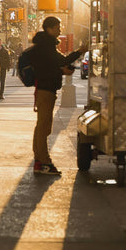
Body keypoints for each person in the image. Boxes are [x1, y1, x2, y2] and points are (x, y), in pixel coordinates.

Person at [31, 16, 87, 175]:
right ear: (49, 29)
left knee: (41, 127)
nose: (59, 30)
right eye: (57, 28)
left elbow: (60, 61)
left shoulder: (45, 45)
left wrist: (77, 54)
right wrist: (62, 70)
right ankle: (44, 162)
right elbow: (46, 69)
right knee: (44, 127)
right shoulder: (45, 46)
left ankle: (39, 161)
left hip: (45, 90)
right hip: (45, 90)